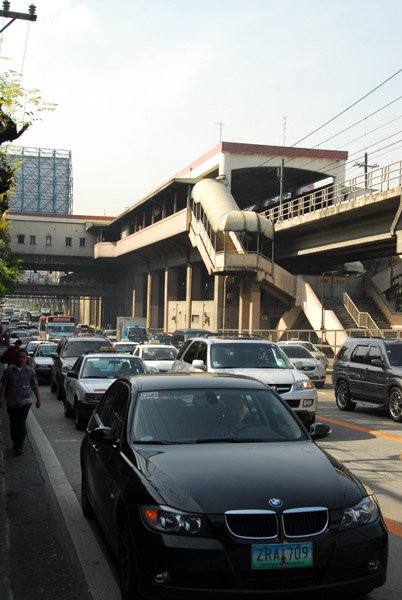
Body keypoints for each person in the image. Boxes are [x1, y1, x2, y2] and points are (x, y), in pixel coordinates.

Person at [0, 348, 41, 455]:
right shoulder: (9, 371)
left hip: (25, 401)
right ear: (16, 358)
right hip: (12, 401)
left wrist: (38, 400)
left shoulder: (30, 371)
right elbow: (4, 385)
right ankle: (15, 442)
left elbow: (34, 386)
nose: (21, 359)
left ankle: (19, 445)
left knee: (21, 422)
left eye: (24, 357)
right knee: (14, 423)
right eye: (19, 357)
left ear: (26, 359)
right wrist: (1, 398)